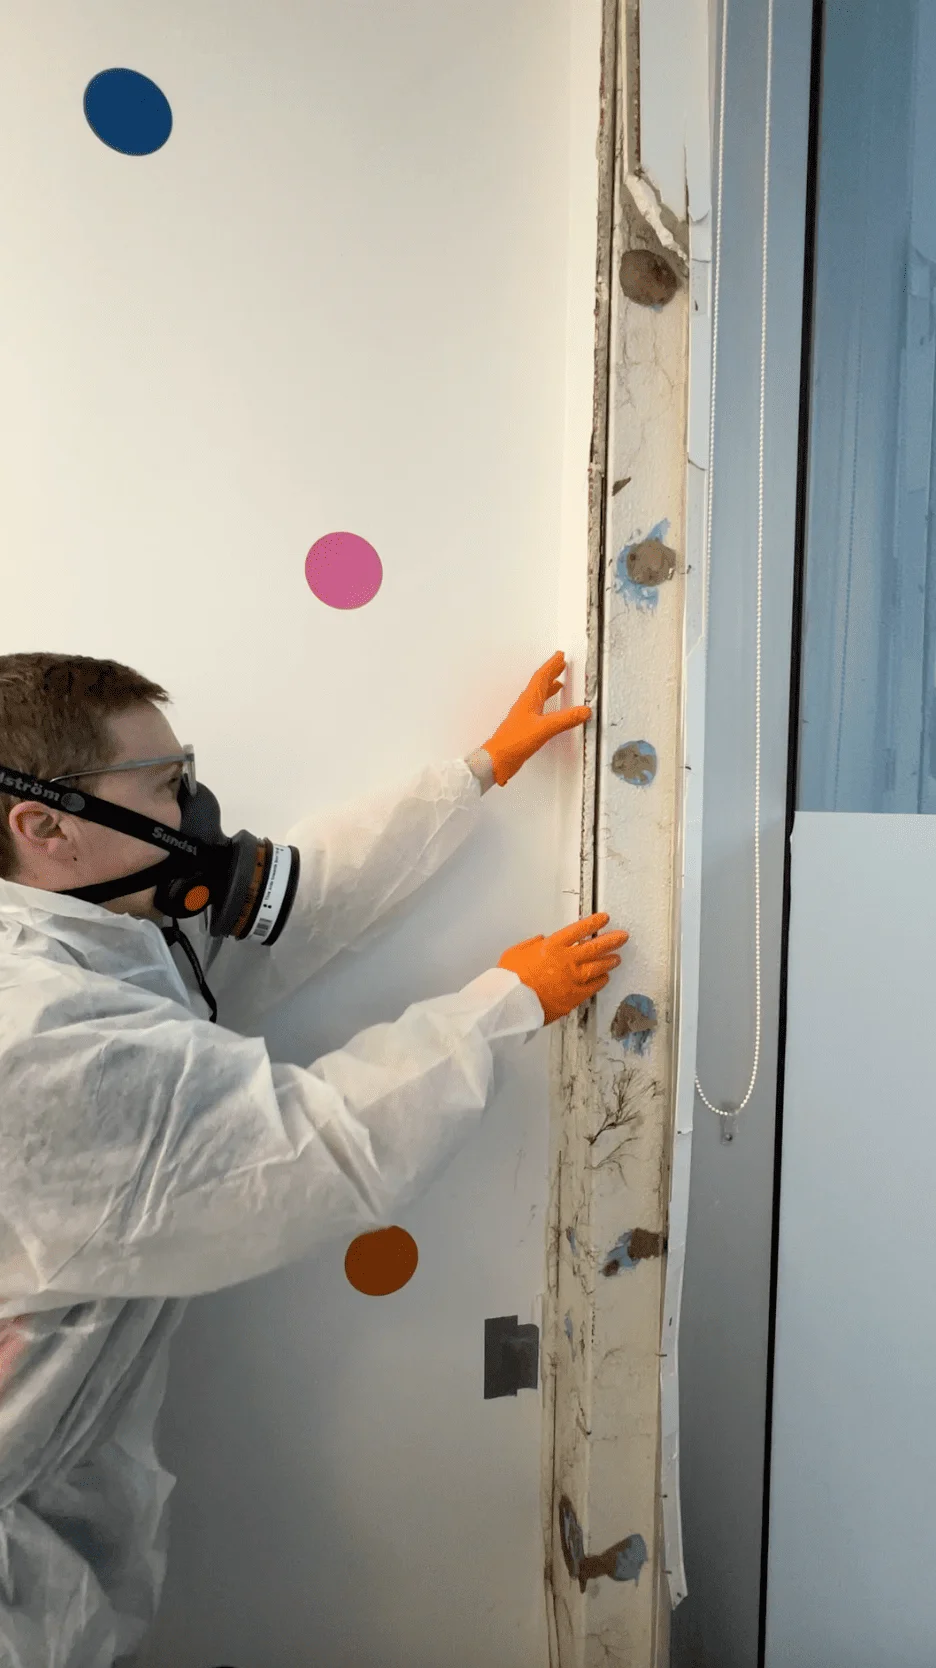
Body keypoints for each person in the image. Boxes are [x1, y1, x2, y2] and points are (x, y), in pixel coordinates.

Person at [0, 649, 628, 1668]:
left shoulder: (100, 943)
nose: (195, 807)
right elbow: (308, 1148)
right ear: (45, 826)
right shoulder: (42, 1039)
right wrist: (504, 1003)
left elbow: (296, 913)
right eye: (165, 784)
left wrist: (474, 773)